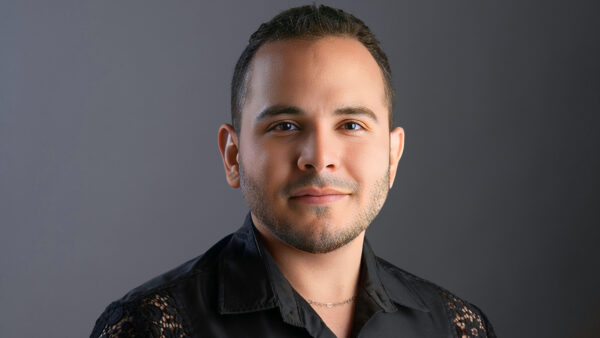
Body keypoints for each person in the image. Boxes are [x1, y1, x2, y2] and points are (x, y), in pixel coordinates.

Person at [91, 5, 496, 338]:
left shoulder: (457, 327)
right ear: (233, 156)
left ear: (393, 156)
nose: (319, 158)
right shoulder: (149, 328)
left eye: (351, 125)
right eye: (285, 126)